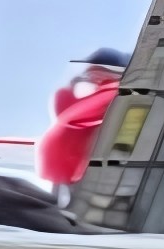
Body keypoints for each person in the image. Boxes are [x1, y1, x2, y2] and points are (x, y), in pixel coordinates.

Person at [40, 47, 124, 197]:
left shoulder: (112, 93)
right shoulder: (102, 95)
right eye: (91, 71)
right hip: (67, 169)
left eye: (96, 70)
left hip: (72, 169)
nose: (91, 75)